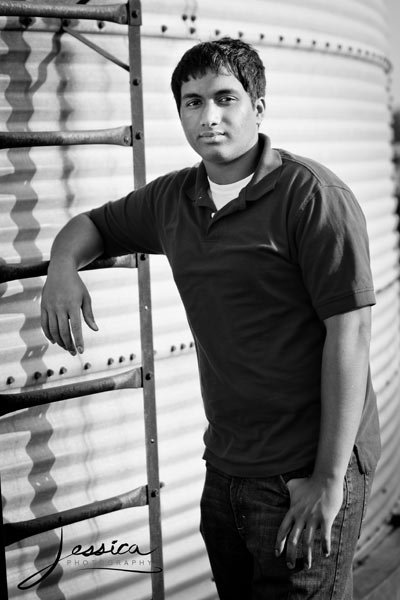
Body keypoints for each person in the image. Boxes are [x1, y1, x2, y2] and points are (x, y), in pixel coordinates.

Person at [41, 38, 381, 599]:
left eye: (226, 98)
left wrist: (326, 480)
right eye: (192, 102)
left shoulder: (312, 196)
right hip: (225, 468)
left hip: (305, 469)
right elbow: (92, 224)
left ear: (258, 107)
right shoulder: (175, 197)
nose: (209, 116)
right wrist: (61, 266)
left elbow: (351, 334)